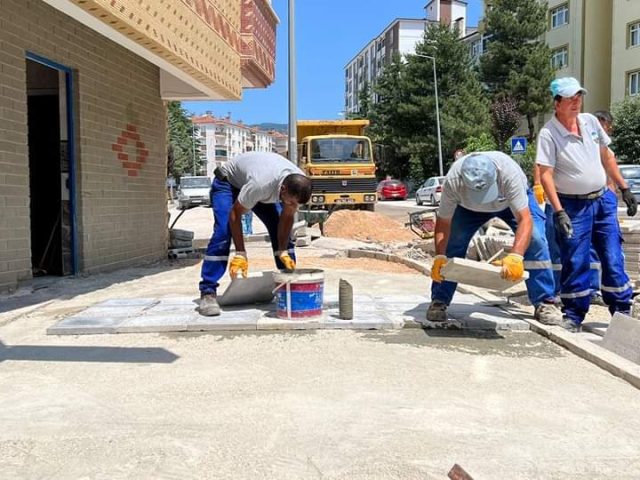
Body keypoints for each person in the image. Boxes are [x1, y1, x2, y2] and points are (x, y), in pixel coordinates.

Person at [536, 77, 637, 332]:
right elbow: (546, 173)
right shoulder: (549, 133)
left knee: (613, 256)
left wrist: (624, 188)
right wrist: (558, 211)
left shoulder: (591, 122)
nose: (576, 102)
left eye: (579, 97)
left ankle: (622, 311)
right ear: (556, 103)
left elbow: (607, 156)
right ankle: (574, 314)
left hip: (602, 200)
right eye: (570, 98)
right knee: (576, 259)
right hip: (572, 205)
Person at [425, 151, 562, 328]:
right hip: (468, 209)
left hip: (508, 204)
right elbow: (444, 223)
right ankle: (439, 299)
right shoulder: (453, 180)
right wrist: (440, 257)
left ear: (495, 176)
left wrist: (516, 256)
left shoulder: (509, 174)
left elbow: (525, 220)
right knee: (452, 244)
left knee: (536, 239)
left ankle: (544, 302)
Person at [198, 151, 312, 316]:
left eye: (297, 204)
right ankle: (208, 292)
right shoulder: (261, 184)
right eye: (291, 202)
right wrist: (240, 253)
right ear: (284, 189)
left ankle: (288, 285)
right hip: (228, 184)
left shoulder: (299, 184)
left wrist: (282, 250)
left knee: (283, 236)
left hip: (258, 185)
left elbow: (287, 216)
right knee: (223, 233)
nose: (293, 206)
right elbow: (235, 215)